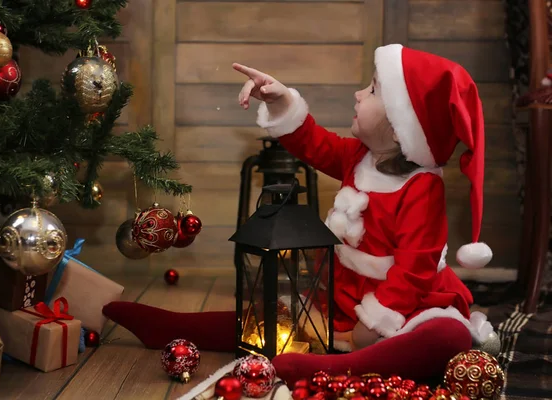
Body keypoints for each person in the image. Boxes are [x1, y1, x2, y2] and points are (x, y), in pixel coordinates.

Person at [102, 44, 495, 386]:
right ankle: (176, 328)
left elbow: (415, 269)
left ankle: (347, 368)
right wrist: (279, 101)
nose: (359, 94)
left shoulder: (422, 188)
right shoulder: (360, 158)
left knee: (446, 337)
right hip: (346, 294)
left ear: (399, 129)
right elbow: (315, 143)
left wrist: (373, 322)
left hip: (404, 304)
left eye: (373, 90)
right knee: (271, 319)